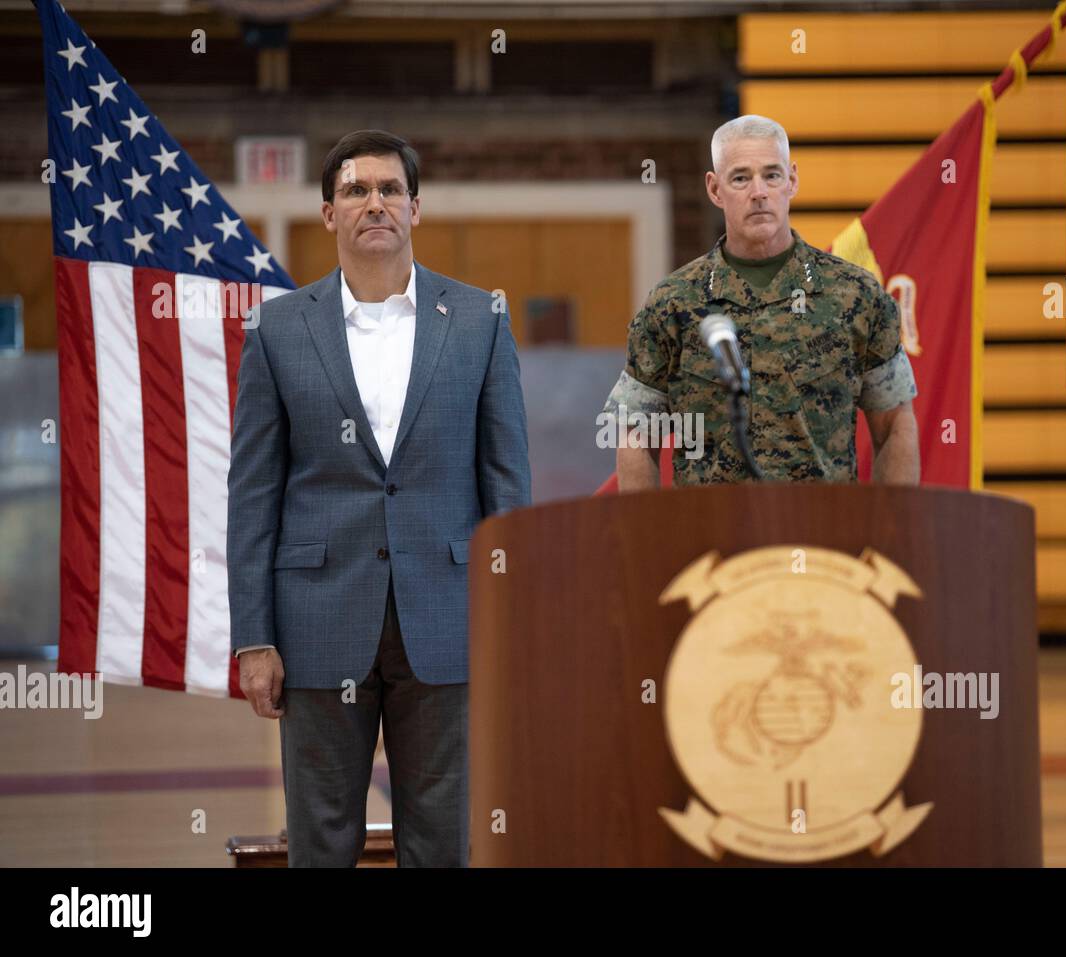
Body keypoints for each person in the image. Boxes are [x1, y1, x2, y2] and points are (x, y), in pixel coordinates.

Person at [227, 129, 531, 866]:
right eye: (356, 191)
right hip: (316, 621)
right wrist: (254, 634)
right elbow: (253, 491)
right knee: (320, 838)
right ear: (328, 213)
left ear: (416, 209)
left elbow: (508, 488)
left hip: (449, 618)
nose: (375, 203)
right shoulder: (278, 329)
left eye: (390, 190)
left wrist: (513, 622)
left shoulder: (480, 323)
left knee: (442, 840)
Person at [605, 114, 919, 489]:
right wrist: (648, 543)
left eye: (772, 175)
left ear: (792, 181)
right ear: (715, 189)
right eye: (741, 178)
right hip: (710, 540)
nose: (759, 192)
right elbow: (637, 435)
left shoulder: (856, 296)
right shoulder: (672, 304)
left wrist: (888, 533)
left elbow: (895, 426)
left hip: (821, 537)